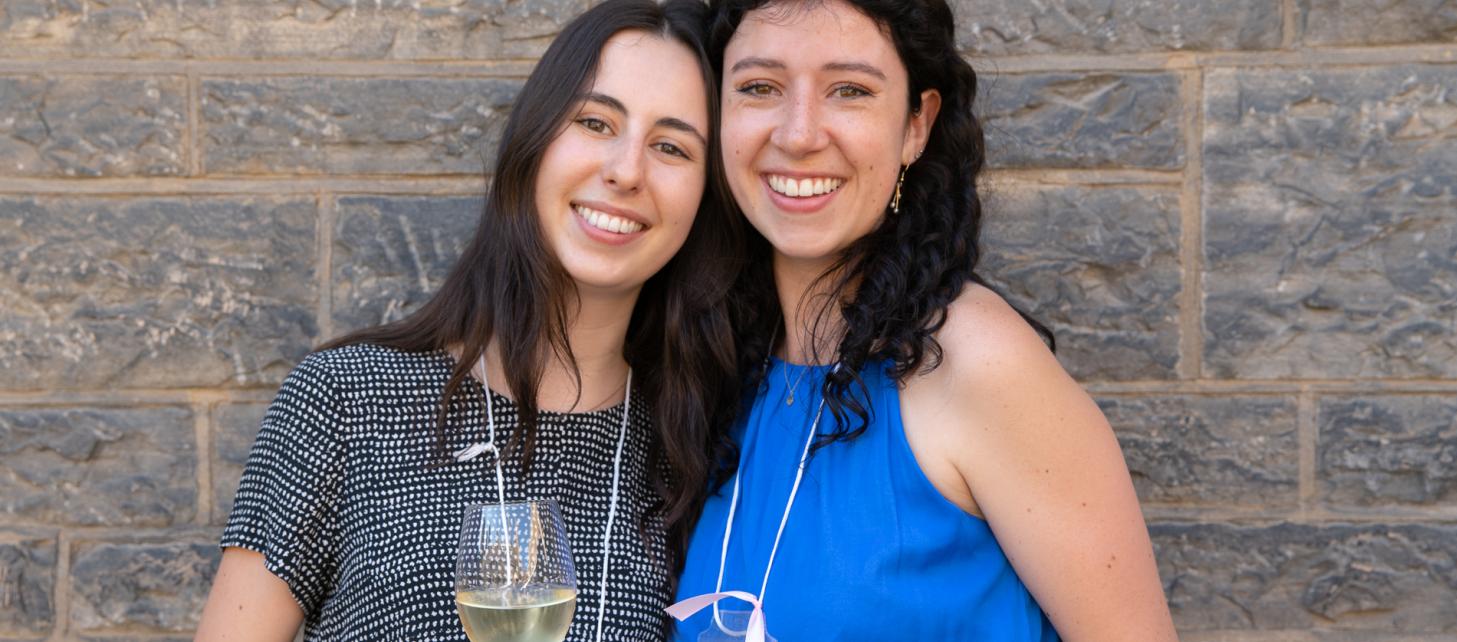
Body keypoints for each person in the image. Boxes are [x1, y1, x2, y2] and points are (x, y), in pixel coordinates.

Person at [195, 1, 742, 640]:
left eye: (672, 146)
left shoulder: (703, 444)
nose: (625, 170)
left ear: (706, 195)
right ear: (534, 142)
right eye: (595, 122)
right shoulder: (345, 397)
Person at [668, 0, 1179, 640]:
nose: (798, 134)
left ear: (916, 124)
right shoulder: (723, 367)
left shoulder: (983, 365)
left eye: (849, 90)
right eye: (759, 87)